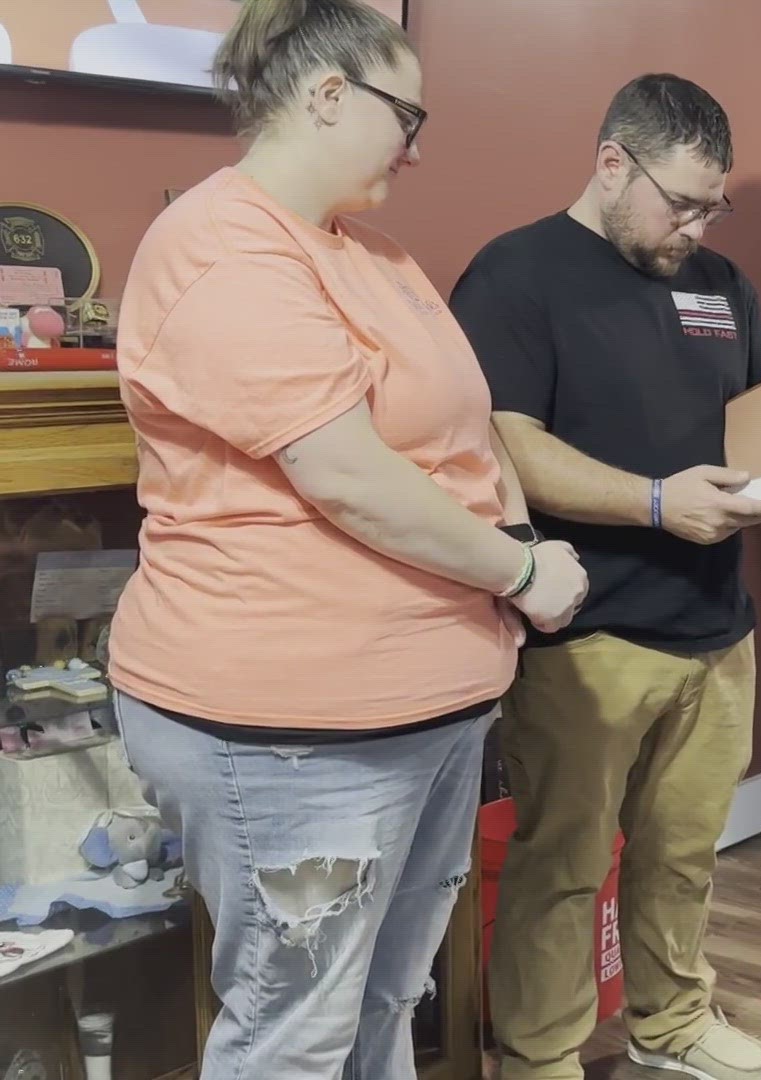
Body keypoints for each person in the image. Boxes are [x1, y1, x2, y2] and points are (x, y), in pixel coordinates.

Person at [105, 1, 588, 1076]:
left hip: (431, 707)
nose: (416, 149)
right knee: (297, 1027)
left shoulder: (371, 252)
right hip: (293, 727)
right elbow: (348, 475)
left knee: (384, 1000)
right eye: (405, 116)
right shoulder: (220, 246)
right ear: (329, 96)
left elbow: (469, 424)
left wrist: (509, 536)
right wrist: (519, 569)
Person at [450, 74, 761, 1080]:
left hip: (717, 626)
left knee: (683, 853)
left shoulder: (722, 287)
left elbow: (754, 440)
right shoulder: (516, 276)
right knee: (564, 868)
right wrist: (655, 502)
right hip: (589, 634)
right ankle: (537, 1058)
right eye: (681, 201)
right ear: (613, 162)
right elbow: (503, 445)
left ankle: (670, 1027)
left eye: (714, 203)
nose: (696, 225)